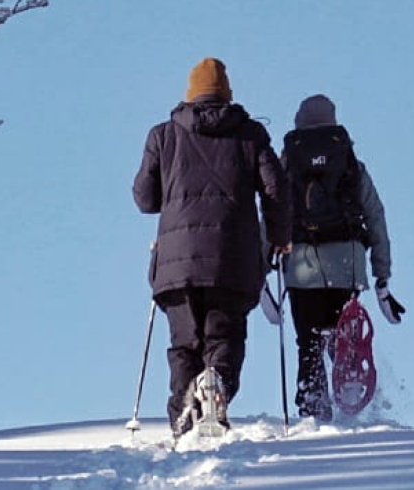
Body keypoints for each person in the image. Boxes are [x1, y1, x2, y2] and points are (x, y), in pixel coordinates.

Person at [133, 57, 292, 438]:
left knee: (184, 342)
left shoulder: (163, 135)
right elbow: (276, 190)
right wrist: (281, 238)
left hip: (175, 263)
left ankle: (184, 414)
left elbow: (144, 198)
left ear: (189, 94)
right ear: (227, 93)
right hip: (232, 259)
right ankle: (215, 383)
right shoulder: (251, 135)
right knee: (224, 335)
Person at [278, 94, 394, 423]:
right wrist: (382, 273)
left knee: (309, 342)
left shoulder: (287, 164)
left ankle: (313, 407)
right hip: (349, 265)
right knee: (344, 340)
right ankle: (351, 399)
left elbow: (271, 217)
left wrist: (262, 268)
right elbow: (375, 217)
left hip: (303, 267)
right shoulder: (351, 164)